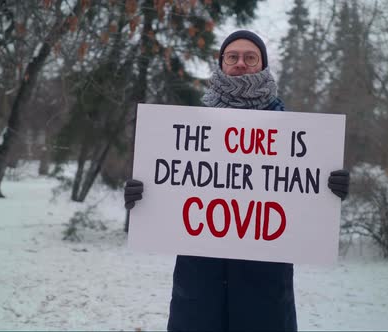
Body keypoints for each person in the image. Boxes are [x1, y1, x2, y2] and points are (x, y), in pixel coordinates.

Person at [123, 30, 350, 331]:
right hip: (198, 286)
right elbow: (169, 185)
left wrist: (330, 187)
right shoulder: (189, 129)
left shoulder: (291, 133)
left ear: (263, 65)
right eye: (232, 57)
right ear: (221, 64)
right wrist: (141, 194)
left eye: (250, 57)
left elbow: (302, 197)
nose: (240, 63)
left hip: (265, 288)